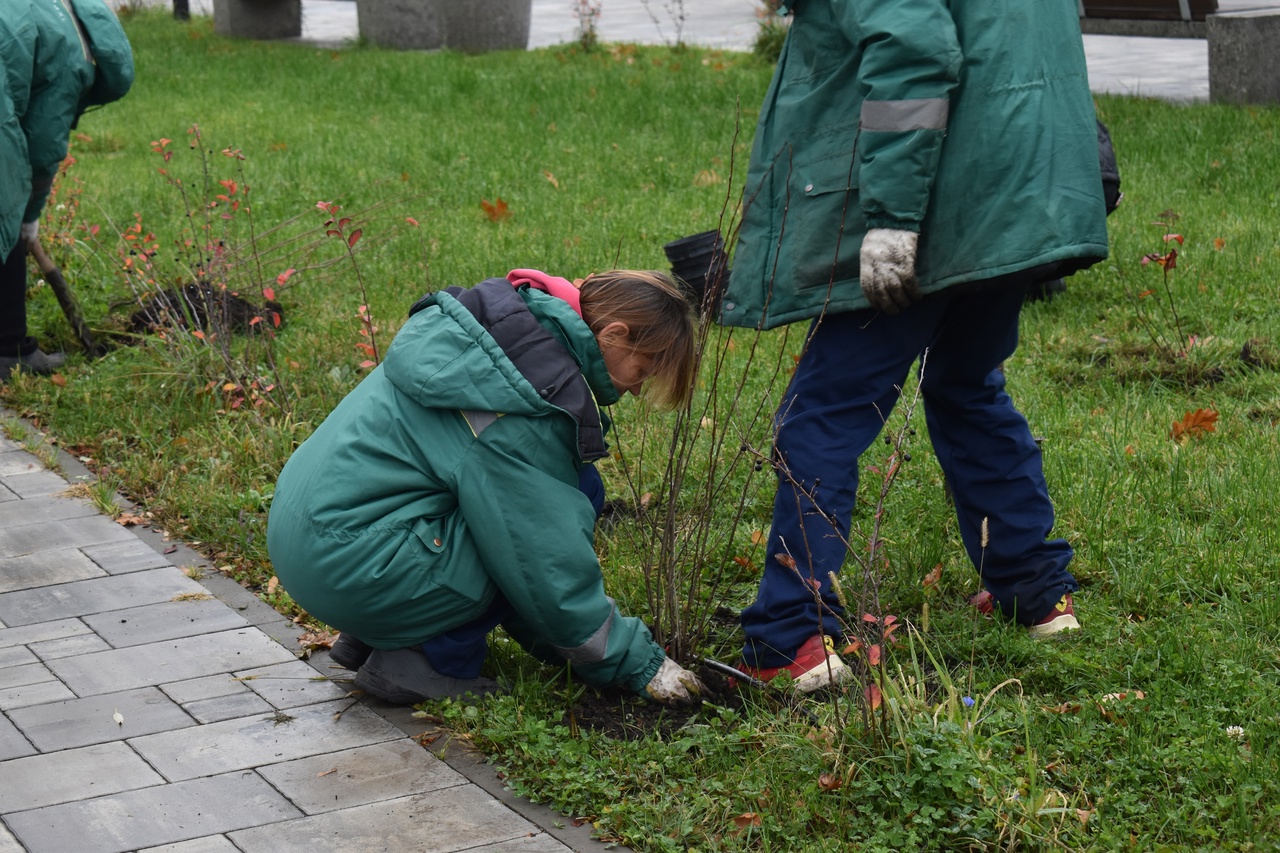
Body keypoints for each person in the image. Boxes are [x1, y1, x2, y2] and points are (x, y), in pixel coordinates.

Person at [719, 0, 1110, 692]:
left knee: (827, 408)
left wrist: (894, 218)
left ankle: (790, 636)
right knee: (966, 381)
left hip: (939, 202)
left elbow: (914, 52)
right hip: (1014, 187)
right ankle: (1037, 593)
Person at [266, 269, 706, 706]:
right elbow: (540, 564)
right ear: (612, 334)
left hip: (311, 537)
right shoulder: (525, 402)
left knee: (571, 487)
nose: (635, 389)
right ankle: (426, 662)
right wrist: (637, 663)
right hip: (354, 569)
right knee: (536, 521)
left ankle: (378, 634)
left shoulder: (497, 336)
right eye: (642, 370)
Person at [1, 0, 134, 379]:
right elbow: (42, 149)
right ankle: (10, 350)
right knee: (5, 198)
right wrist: (28, 218)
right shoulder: (75, 56)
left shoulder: (43, 10)